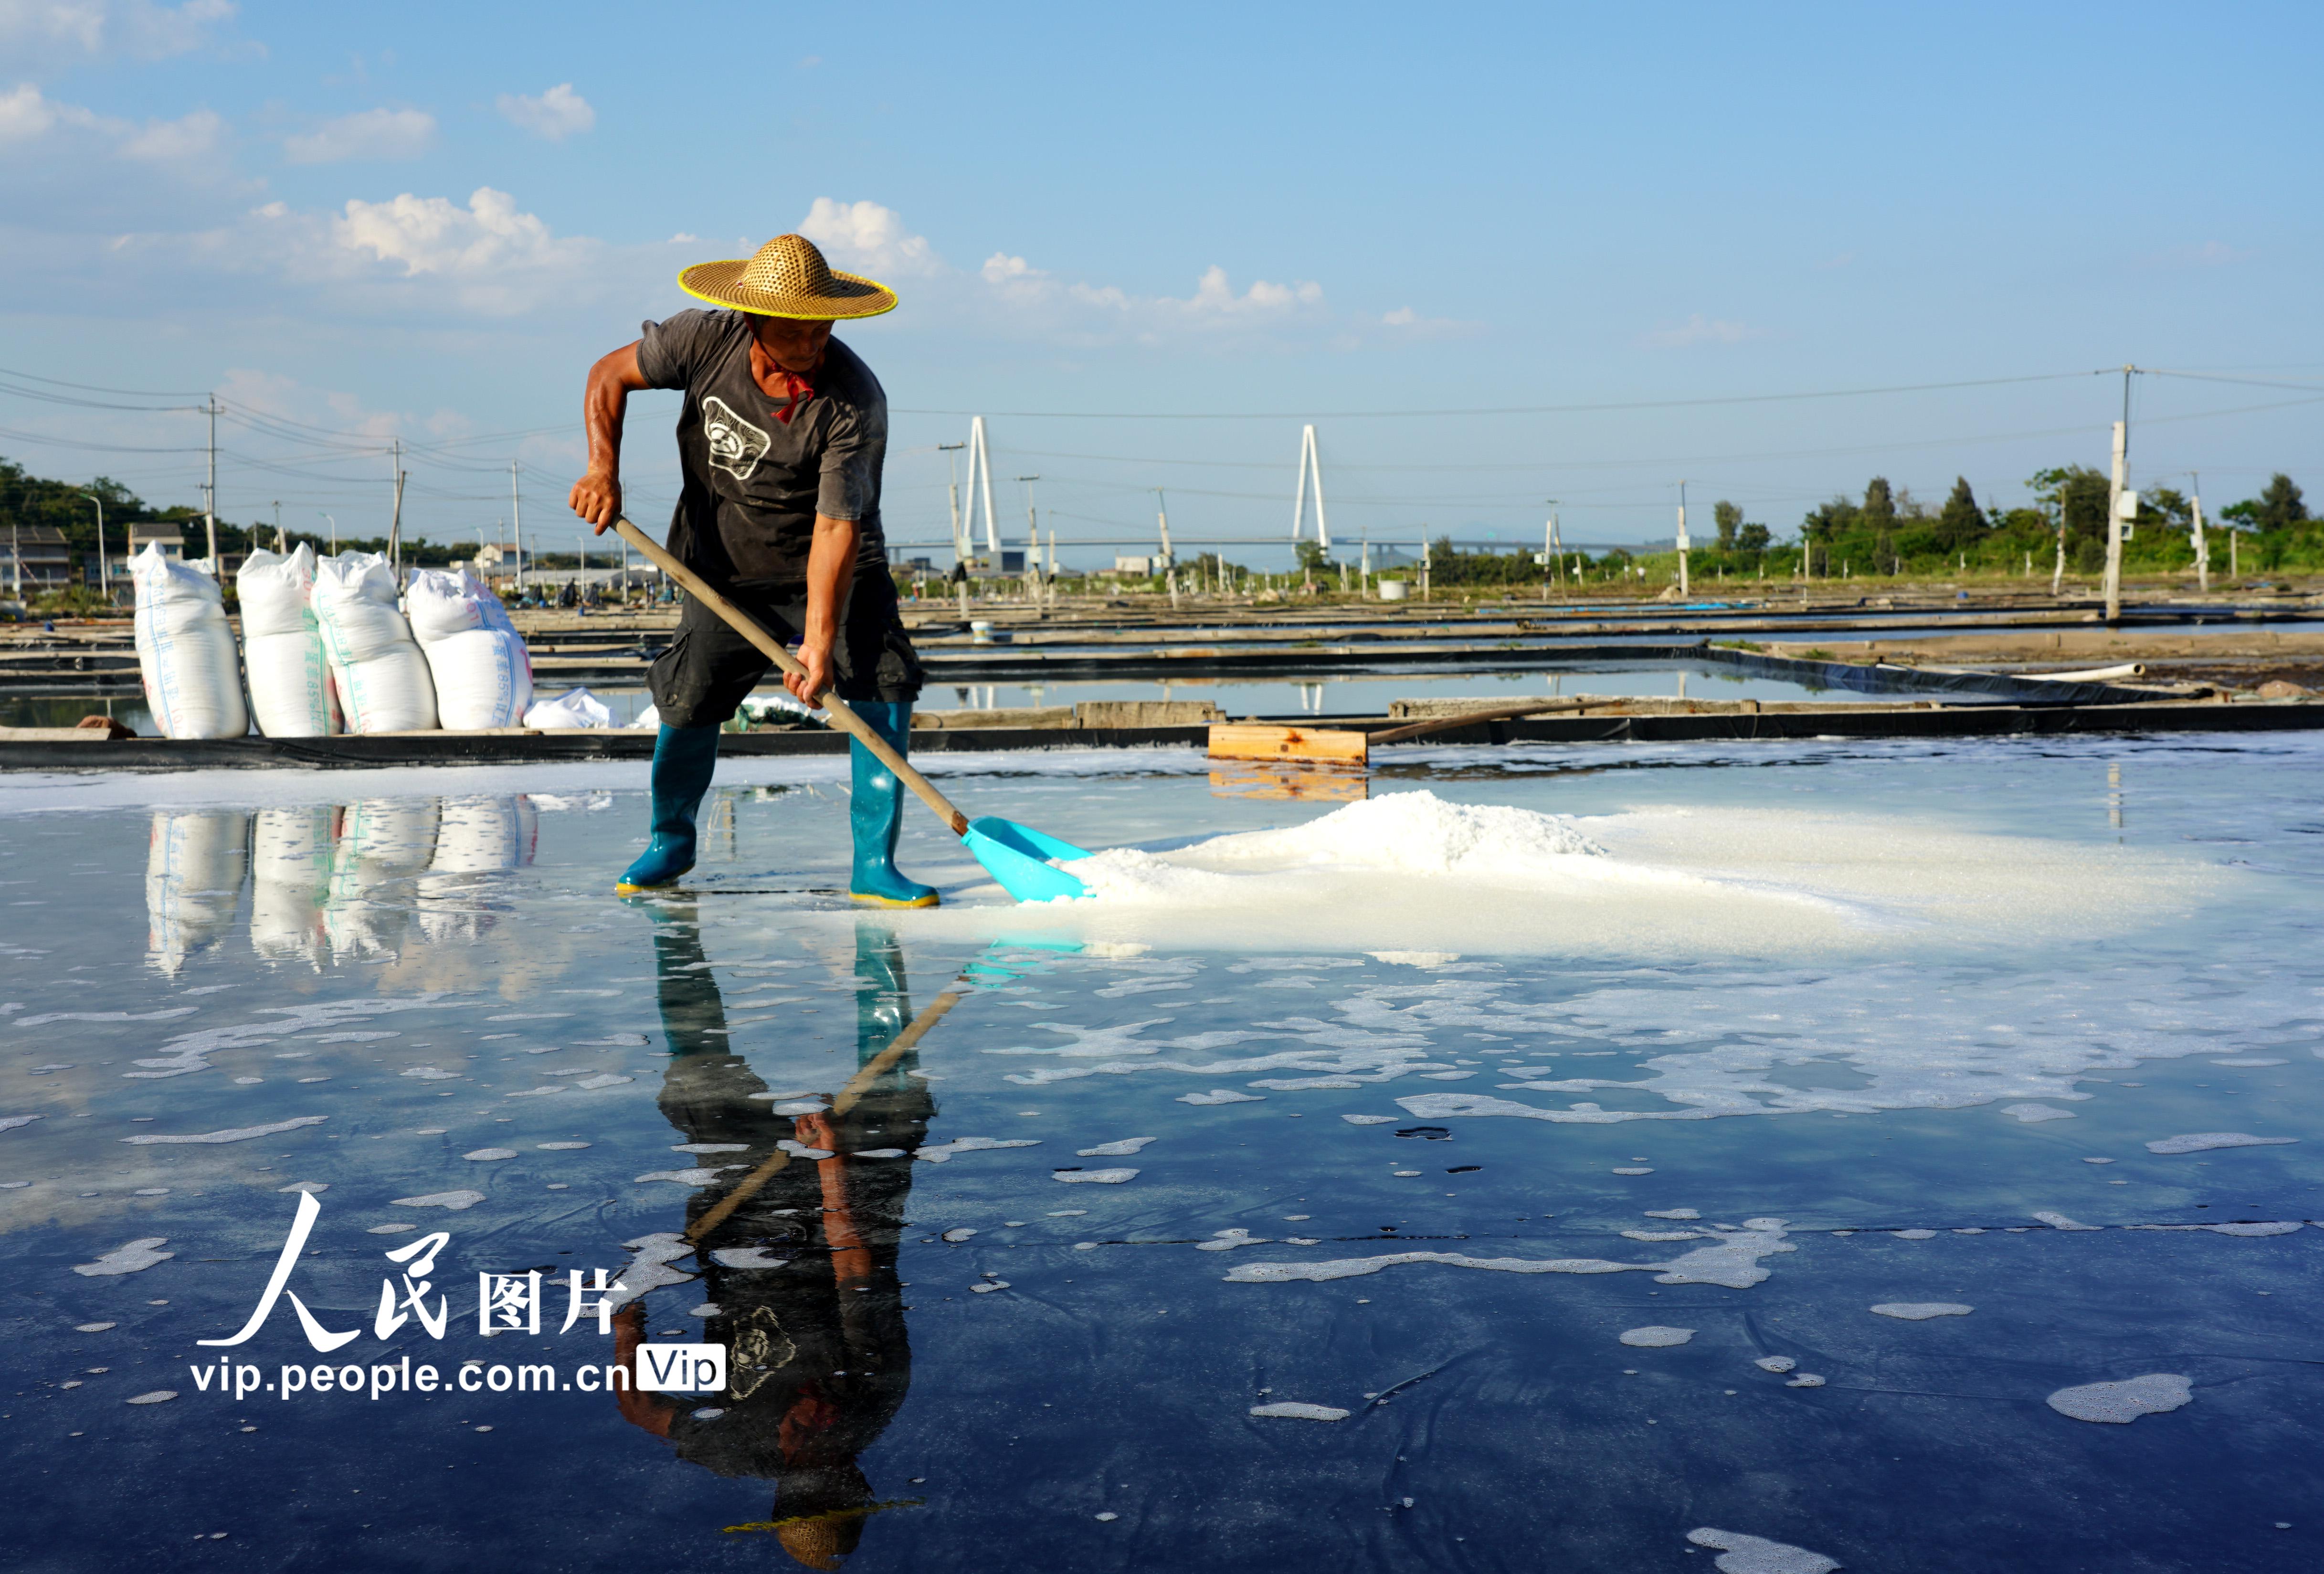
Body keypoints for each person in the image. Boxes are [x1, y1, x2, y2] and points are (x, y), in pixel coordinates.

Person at [569, 233, 936, 905]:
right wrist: (602, 469)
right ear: (753, 321)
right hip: (722, 568)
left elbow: (835, 526)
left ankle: (875, 865)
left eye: (822, 328)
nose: (811, 345)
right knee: (690, 697)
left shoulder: (854, 400)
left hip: (836, 566)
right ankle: (670, 842)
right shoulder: (701, 342)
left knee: (881, 685)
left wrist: (818, 643)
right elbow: (607, 376)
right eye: (794, 332)